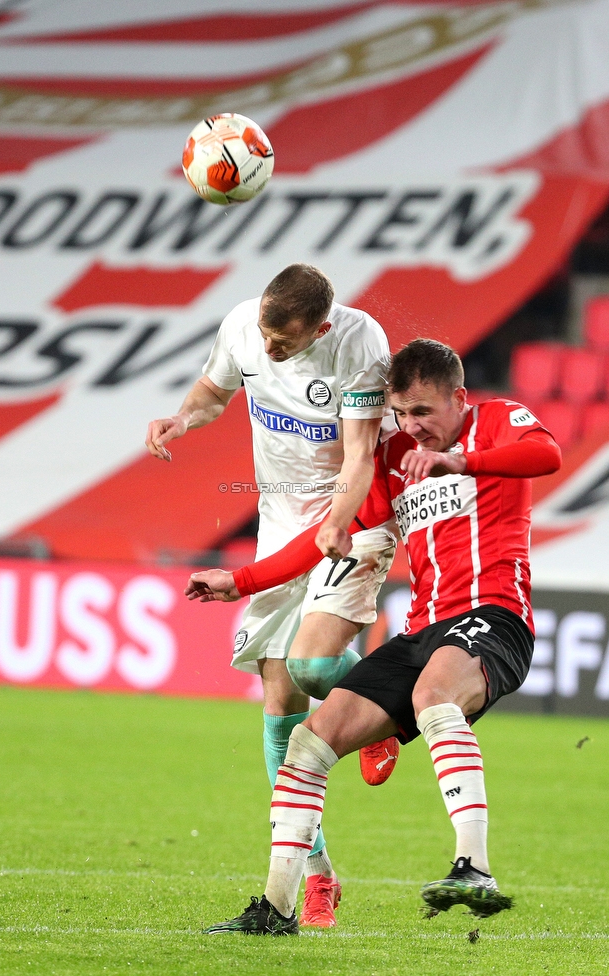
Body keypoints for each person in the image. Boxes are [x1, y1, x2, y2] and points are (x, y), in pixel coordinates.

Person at [197, 338, 562, 935]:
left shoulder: (496, 421)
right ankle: (277, 906)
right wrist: (240, 581)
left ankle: (474, 868)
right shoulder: (394, 460)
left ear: (459, 399)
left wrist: (461, 462)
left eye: (423, 412)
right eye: (400, 413)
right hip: (423, 629)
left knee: (434, 698)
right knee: (310, 742)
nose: (411, 427)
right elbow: (327, 532)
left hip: (493, 617)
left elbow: (544, 455)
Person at [145, 263, 398, 927]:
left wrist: (339, 524)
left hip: (355, 517)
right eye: (265, 334)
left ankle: (383, 704)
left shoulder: (359, 343)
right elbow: (213, 388)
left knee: (316, 669)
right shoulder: (243, 327)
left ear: (319, 329)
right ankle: (314, 879)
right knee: (282, 699)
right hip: (279, 524)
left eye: (284, 344)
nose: (271, 349)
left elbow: (361, 455)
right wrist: (181, 419)